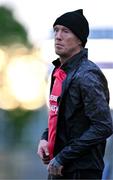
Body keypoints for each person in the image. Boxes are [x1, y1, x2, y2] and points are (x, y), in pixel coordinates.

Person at [37, 9, 113, 179]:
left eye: (65, 31)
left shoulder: (87, 75)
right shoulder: (59, 72)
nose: (58, 36)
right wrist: (45, 138)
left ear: (80, 39)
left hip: (81, 172)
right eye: (56, 30)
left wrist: (63, 157)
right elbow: (59, 118)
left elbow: (104, 126)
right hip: (58, 168)